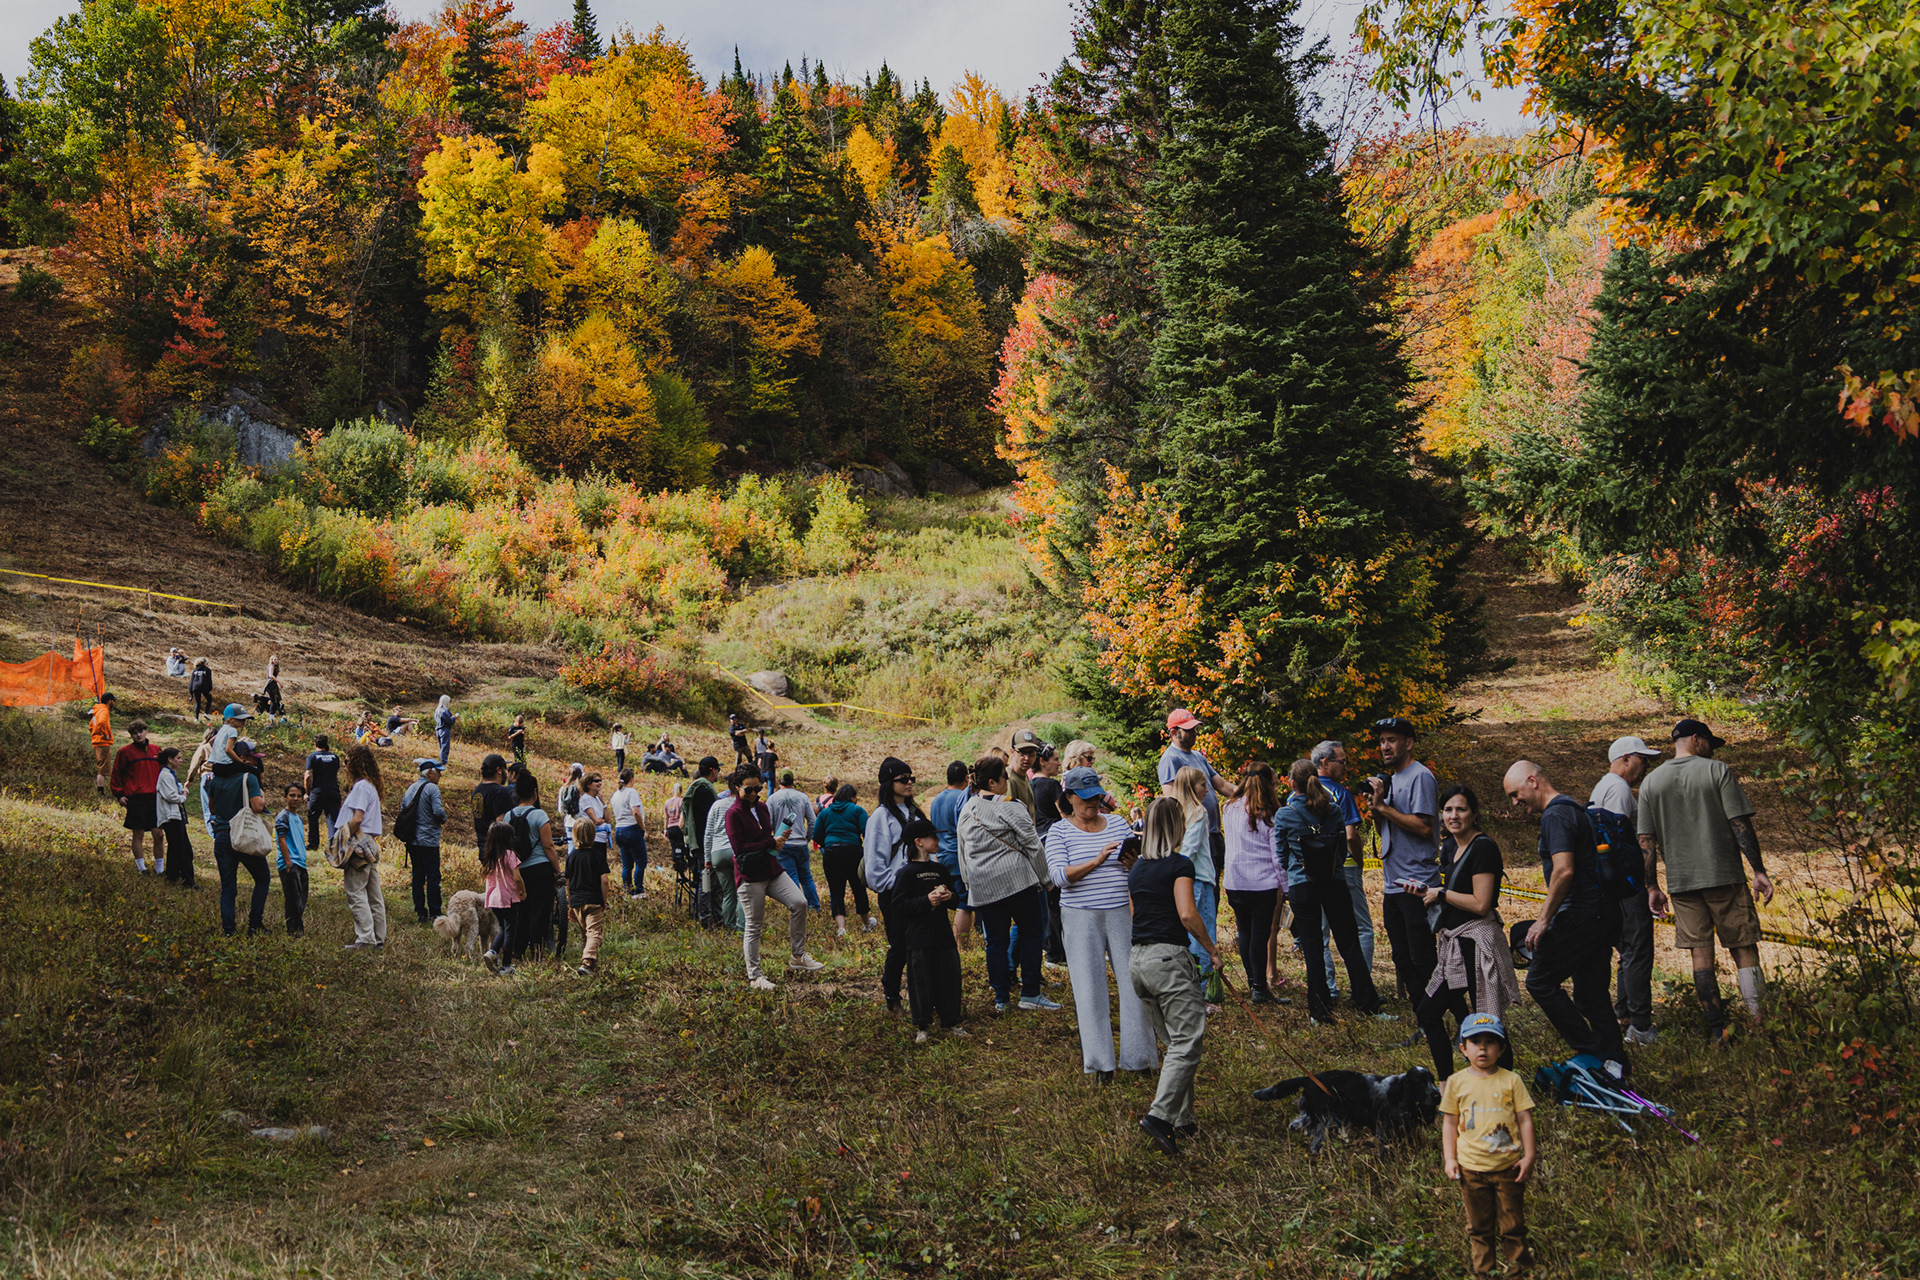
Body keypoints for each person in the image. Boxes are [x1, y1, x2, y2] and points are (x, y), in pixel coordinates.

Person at [1638, 718, 1772, 1041]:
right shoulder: (1717, 771)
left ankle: (1718, 1028)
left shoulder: (1651, 783)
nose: (1712, 749)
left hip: (1683, 882)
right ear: (1696, 739)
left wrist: (1652, 886)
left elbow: (1645, 842)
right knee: (1743, 948)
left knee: (1701, 954)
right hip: (1723, 875)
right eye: (1710, 742)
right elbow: (1739, 823)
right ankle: (1759, 1023)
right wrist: (1758, 870)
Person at [1503, 759, 1627, 1073]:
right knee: (1591, 994)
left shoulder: (1556, 815)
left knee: (1540, 980)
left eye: (1515, 794)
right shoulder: (1573, 808)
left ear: (1532, 781)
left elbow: (1564, 870)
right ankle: (1615, 1063)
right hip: (1601, 914)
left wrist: (1544, 919)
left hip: (1580, 913)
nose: (1515, 802)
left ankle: (1593, 1050)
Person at [1050, 766, 1156, 1079]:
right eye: (1084, 798)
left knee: (1134, 983)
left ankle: (1140, 1059)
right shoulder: (1059, 832)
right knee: (1089, 988)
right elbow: (1057, 877)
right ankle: (1100, 1064)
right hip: (1080, 915)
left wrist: (1134, 863)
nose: (1092, 803)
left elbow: (1135, 868)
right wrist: (1096, 861)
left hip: (1121, 911)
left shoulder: (1118, 823)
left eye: (1096, 796)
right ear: (1069, 797)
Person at [1129, 796, 1219, 1156]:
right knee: (1187, 1041)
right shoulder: (1180, 865)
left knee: (1173, 1043)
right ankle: (1160, 1116)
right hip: (1169, 959)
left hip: (1138, 960)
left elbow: (1136, 914)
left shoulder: (1136, 868)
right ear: (1176, 826)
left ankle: (1183, 1118)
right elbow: (1186, 913)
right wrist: (1211, 949)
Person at [1416, 786, 1520, 1080]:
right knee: (1428, 1011)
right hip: (1455, 942)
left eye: (1460, 809)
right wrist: (1428, 892)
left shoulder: (1483, 847)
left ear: (1474, 814)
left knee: (1488, 1022)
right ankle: (1447, 1083)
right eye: (1447, 810)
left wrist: (1441, 894)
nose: (1453, 815)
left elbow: (1481, 903)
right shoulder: (1451, 846)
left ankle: (1505, 1085)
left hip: (1478, 941)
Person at [1279, 759, 1385, 1024]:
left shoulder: (1285, 814)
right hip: (1334, 882)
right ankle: (1367, 1002)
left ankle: (1319, 1010)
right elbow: (1342, 845)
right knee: (1349, 943)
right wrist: (1334, 869)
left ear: (1292, 782)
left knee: (1313, 946)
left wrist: (1295, 869)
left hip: (1302, 885)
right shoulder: (1334, 810)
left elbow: (1281, 855)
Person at [1441, 1013, 1537, 1277]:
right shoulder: (1456, 1082)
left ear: (1501, 1048)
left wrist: (1529, 1157)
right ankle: (1484, 1271)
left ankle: (1519, 1271)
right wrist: (1450, 1159)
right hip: (1471, 1171)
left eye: (1490, 1042)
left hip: (1508, 1169)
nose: (1482, 1048)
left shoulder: (1511, 1080)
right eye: (1475, 1041)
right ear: (1463, 1048)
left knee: (1513, 1225)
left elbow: (1524, 1119)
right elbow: (1450, 1123)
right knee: (1479, 1227)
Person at [958, 755, 1050, 1013]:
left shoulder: (967, 810)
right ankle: (1030, 993)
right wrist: (1045, 879)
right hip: (1018, 881)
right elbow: (1033, 846)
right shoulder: (1012, 806)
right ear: (992, 782)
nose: (1007, 781)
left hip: (984, 887)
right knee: (1032, 933)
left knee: (995, 942)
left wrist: (969, 884)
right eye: (1004, 777)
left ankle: (1001, 998)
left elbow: (962, 853)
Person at [1593, 735, 1665, 1046]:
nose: (1646, 764)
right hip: (1626, 883)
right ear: (1624, 759)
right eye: (1642, 758)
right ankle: (1641, 1026)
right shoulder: (1619, 789)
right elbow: (1618, 842)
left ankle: (1624, 1013)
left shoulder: (1605, 787)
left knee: (1627, 951)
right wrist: (1641, 884)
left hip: (1613, 884)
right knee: (1638, 950)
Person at [727, 771, 824, 989]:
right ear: (736, 787)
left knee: (799, 903)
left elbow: (766, 837)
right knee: (754, 926)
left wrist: (778, 839)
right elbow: (739, 849)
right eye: (749, 789)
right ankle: (755, 977)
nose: (754, 794)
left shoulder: (762, 808)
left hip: (771, 869)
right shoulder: (733, 814)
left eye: (757, 788)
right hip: (750, 875)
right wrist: (771, 843)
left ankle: (798, 956)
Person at [1370, 716, 1440, 1003]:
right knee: (1401, 956)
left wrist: (1384, 809)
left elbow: (1424, 827)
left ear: (1409, 744)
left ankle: (1437, 1015)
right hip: (1392, 883)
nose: (1385, 747)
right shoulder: (1394, 779)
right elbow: (1384, 831)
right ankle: (1424, 1017)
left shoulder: (1420, 776)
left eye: (1392, 740)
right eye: (1382, 741)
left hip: (1416, 884)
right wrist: (1376, 807)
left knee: (1421, 957)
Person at [894, 817, 969, 1042]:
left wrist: (947, 897)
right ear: (918, 841)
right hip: (918, 938)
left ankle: (951, 1020)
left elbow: (955, 900)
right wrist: (926, 901)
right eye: (933, 837)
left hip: (943, 936)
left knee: (949, 978)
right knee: (921, 981)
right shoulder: (906, 873)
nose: (938, 840)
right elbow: (898, 905)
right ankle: (922, 1025)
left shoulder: (940, 869)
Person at [1311, 739, 1375, 1000]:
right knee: (1362, 928)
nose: (1346, 766)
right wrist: (1359, 862)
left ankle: (1329, 987)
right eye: (1342, 761)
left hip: (1313, 870)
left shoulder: (1298, 794)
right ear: (1326, 763)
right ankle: (1363, 986)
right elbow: (1351, 836)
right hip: (1344, 867)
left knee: (1321, 932)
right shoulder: (1341, 793)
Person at [1220, 761, 1287, 1004]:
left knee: (1245, 932)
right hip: (1261, 882)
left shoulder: (1229, 807)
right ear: (1268, 784)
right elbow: (1276, 855)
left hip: (1235, 881)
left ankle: (1254, 985)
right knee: (1260, 934)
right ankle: (1260, 989)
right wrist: (1285, 885)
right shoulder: (1268, 812)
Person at [864, 757, 925, 1016]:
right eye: (903, 779)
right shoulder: (880, 817)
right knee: (900, 945)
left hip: (922, 892)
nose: (909, 782)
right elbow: (874, 866)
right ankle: (892, 995)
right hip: (895, 895)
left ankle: (921, 996)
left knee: (920, 946)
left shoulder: (916, 813)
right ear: (889, 784)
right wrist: (898, 884)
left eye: (911, 778)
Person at [1156, 708, 1240, 888]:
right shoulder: (1170, 759)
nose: (1194, 733)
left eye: (1194, 728)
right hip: (1195, 835)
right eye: (1189, 730)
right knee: (1201, 887)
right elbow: (1172, 801)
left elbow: (1223, 786)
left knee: (1213, 886)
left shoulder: (1197, 756)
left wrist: (1251, 792)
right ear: (1173, 732)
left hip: (1213, 834)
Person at [205, 740, 270, 937]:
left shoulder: (214, 780)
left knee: (228, 887)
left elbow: (213, 809)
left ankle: (229, 930)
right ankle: (254, 924)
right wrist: (262, 793)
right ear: (240, 758)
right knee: (262, 877)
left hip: (222, 836)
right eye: (252, 759)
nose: (255, 763)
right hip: (243, 835)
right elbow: (258, 807)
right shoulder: (248, 778)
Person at [1170, 766, 1223, 1007]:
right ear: (1192, 787)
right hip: (1198, 878)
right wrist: (1181, 870)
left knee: (1187, 934)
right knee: (1203, 934)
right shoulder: (1198, 812)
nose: (1207, 789)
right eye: (1203, 785)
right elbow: (1189, 849)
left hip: (1183, 878)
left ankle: (1186, 988)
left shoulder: (1175, 812)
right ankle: (1201, 993)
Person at [505, 770, 561, 960]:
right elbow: (548, 846)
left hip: (518, 870)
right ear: (535, 792)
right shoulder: (539, 815)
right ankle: (537, 951)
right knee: (540, 910)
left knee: (521, 911)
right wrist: (558, 870)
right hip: (540, 869)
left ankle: (517, 950)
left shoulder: (508, 816)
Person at [340, 745, 390, 951]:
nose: (344, 765)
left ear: (355, 763)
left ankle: (365, 938)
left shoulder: (361, 787)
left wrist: (341, 838)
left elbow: (357, 818)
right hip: (370, 842)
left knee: (355, 890)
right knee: (373, 893)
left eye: (347, 760)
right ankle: (378, 937)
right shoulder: (371, 787)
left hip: (358, 841)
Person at [813, 783, 872, 937]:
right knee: (858, 888)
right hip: (853, 851)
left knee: (836, 891)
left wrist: (828, 844)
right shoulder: (857, 810)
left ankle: (841, 928)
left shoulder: (825, 813)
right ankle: (866, 924)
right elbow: (868, 832)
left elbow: (816, 834)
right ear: (852, 797)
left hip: (832, 852)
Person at [928, 761, 974, 946]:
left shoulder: (936, 799)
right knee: (964, 904)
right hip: (959, 856)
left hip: (942, 855)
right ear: (966, 778)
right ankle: (960, 946)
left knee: (947, 899)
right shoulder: (963, 798)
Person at [397, 759, 448, 925]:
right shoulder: (432, 788)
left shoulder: (410, 788)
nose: (440, 775)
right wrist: (444, 818)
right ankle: (435, 912)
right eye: (438, 772)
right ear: (430, 772)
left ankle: (421, 912)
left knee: (417, 876)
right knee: (433, 877)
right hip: (429, 840)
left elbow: (403, 809)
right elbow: (438, 812)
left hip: (413, 840)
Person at [110, 720, 163, 873]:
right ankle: (142, 868)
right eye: (135, 733)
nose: (138, 735)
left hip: (154, 797)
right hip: (136, 798)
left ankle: (160, 869)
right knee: (138, 833)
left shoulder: (156, 750)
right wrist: (119, 794)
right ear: (131, 735)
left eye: (141, 731)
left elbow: (164, 772)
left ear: (146, 731)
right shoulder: (125, 752)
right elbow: (116, 775)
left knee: (158, 833)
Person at [768, 771, 821, 910]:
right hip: (800, 843)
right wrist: (807, 838)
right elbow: (812, 821)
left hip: (782, 844)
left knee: (791, 878)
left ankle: (797, 907)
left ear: (779, 781)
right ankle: (814, 906)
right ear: (793, 781)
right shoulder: (802, 797)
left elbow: (769, 822)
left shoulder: (772, 799)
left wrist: (775, 838)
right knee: (806, 877)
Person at [567, 815, 612, 975]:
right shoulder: (597, 855)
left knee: (586, 933)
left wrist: (570, 903)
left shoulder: (571, 856)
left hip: (577, 901)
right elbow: (604, 880)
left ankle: (591, 966)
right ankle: (587, 962)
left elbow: (568, 882)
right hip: (593, 901)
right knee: (594, 933)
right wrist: (604, 900)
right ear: (593, 835)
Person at [480, 822, 526, 976]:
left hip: (493, 899)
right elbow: (517, 877)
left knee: (503, 928)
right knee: (511, 930)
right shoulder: (510, 855)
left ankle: (492, 951)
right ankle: (506, 965)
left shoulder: (490, 856)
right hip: (509, 897)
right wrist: (523, 891)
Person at [703, 769, 743, 932]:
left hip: (717, 852)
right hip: (736, 851)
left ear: (728, 785)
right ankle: (741, 928)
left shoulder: (716, 805)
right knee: (741, 892)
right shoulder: (742, 805)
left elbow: (708, 833)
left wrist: (707, 857)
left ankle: (729, 928)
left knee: (727, 893)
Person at [685, 757, 723, 925]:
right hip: (705, 844)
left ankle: (715, 916)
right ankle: (706, 919)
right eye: (718, 770)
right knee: (707, 882)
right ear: (713, 770)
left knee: (711, 881)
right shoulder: (705, 791)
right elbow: (710, 819)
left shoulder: (696, 788)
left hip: (698, 843)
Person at [155, 746, 194, 888]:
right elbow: (171, 796)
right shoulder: (165, 775)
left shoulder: (169, 774)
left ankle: (178, 876)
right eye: (178, 758)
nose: (181, 761)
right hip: (170, 817)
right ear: (170, 759)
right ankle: (179, 878)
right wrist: (182, 797)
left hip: (175, 816)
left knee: (180, 848)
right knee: (180, 848)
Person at [274, 784, 309, 937]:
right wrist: (288, 863)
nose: (295, 799)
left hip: (301, 863)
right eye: (292, 795)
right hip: (290, 863)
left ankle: (296, 929)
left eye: (299, 796)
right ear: (285, 797)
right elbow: (281, 840)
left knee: (301, 899)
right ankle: (295, 933)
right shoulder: (283, 816)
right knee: (293, 900)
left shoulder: (299, 818)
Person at [611, 768, 649, 899]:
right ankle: (638, 890)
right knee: (640, 862)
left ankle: (627, 889)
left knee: (627, 864)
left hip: (619, 830)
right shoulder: (631, 792)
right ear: (631, 779)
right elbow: (636, 812)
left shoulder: (615, 794)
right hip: (632, 828)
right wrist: (642, 827)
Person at [471, 753, 515, 855]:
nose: (506, 772)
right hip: (498, 852)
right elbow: (502, 824)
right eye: (505, 769)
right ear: (499, 770)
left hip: (483, 849)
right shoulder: (499, 792)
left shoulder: (477, 791)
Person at [305, 734, 343, 851]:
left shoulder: (312, 757)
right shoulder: (335, 757)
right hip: (333, 791)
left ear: (314, 744)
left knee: (313, 816)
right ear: (327, 744)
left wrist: (307, 792)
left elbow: (307, 776)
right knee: (332, 818)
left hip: (318, 791)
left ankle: (313, 844)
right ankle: (334, 845)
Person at [1008, 730, 1042, 816]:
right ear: (1012, 752)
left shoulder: (1023, 775)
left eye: (1031, 753)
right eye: (1022, 753)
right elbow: (1010, 816)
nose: (1027, 758)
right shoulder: (1009, 779)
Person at [89, 692, 116, 792]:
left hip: (97, 741)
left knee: (101, 766)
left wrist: (95, 734)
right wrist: (106, 735)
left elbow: (91, 725)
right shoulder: (104, 710)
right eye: (113, 701)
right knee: (102, 769)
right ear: (109, 701)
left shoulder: (97, 710)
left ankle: (101, 790)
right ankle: (101, 792)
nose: (114, 703)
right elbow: (101, 722)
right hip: (102, 742)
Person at [662, 779, 685, 875]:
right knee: (682, 847)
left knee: (674, 847)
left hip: (671, 828)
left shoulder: (667, 802)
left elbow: (666, 817)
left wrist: (665, 829)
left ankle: (676, 866)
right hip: (679, 828)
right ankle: (683, 865)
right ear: (681, 791)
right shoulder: (682, 801)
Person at [431, 695, 456, 767]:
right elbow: (449, 721)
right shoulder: (444, 711)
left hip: (438, 729)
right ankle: (443, 762)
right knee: (445, 746)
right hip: (444, 730)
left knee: (441, 746)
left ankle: (442, 760)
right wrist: (454, 718)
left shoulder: (437, 710)